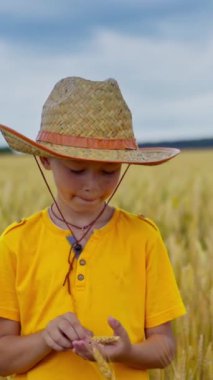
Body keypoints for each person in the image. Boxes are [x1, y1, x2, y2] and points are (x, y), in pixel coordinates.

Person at [0, 77, 186, 380]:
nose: (92, 186)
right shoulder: (15, 243)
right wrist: (45, 338)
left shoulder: (143, 237)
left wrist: (127, 351)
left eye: (108, 172)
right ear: (46, 159)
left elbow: (165, 349)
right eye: (76, 170)